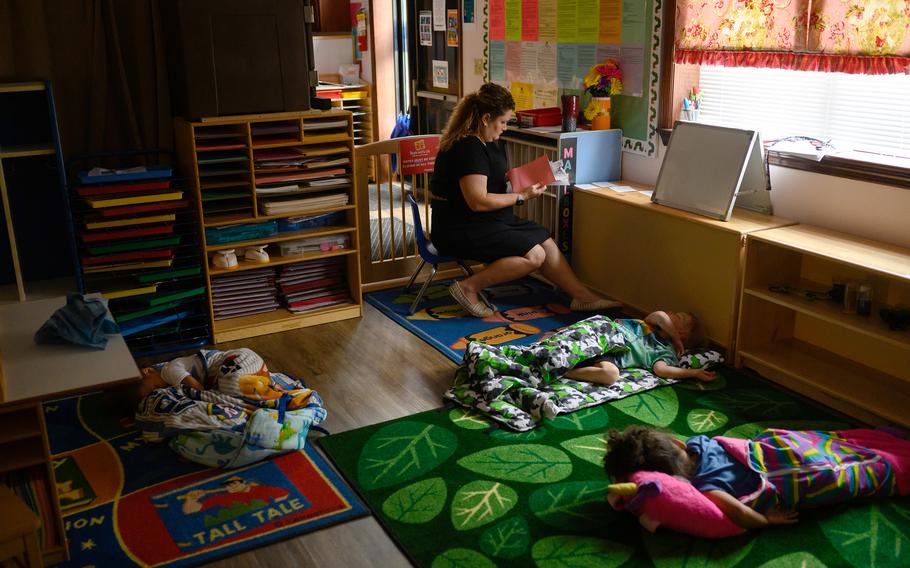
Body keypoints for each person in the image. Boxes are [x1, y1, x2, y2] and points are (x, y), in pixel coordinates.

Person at [430, 82, 620, 318]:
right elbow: (477, 201)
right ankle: (468, 287)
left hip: (484, 220)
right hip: (459, 226)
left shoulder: (486, 141)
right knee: (535, 255)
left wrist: (518, 181)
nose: (505, 128)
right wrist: (521, 196)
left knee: (544, 238)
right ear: (486, 118)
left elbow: (489, 183)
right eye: (503, 122)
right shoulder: (469, 147)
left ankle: (581, 297)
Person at [603, 424, 910, 530]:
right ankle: (879, 441)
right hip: (780, 447)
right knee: (831, 445)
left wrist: (767, 520)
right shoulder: (701, 442)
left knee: (845, 472)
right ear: (680, 446)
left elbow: (739, 514)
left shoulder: (708, 489)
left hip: (791, 470)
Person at [564, 310, 713, 386]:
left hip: (612, 354)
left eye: (677, 316)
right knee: (566, 343)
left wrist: (694, 372)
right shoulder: (654, 324)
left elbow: (661, 370)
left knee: (611, 375)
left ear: (683, 334)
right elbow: (660, 315)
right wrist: (675, 337)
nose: (671, 313)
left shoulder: (667, 351)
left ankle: (565, 373)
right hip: (606, 332)